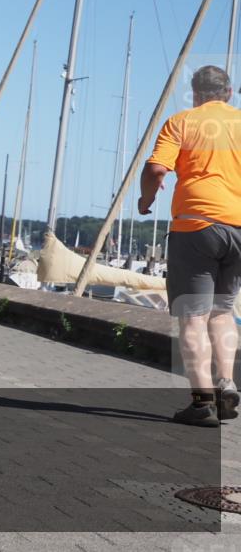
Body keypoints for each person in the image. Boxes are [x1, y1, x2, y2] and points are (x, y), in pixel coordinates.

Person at [139, 65, 241, 426]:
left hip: (197, 226)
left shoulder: (181, 122)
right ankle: (226, 382)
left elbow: (155, 170)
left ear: (196, 94)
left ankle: (202, 404)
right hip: (239, 228)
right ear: (229, 93)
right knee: (223, 311)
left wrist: (145, 200)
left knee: (193, 318)